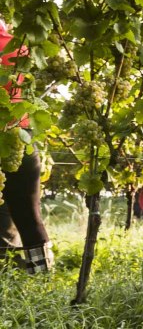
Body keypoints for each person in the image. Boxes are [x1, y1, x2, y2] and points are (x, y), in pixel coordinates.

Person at [0, 19, 53, 273]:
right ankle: (43, 277)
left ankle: (6, 274)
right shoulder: (18, 46)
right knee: (30, 219)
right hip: (21, 139)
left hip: (5, 139)